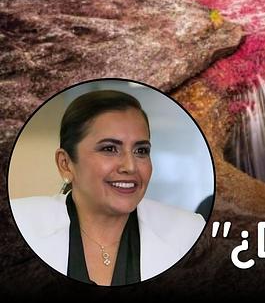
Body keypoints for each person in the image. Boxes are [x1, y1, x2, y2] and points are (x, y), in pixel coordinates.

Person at [10, 90, 206, 285]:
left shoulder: (190, 232)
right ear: (66, 164)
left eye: (141, 151)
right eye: (109, 149)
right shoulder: (16, 225)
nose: (130, 166)